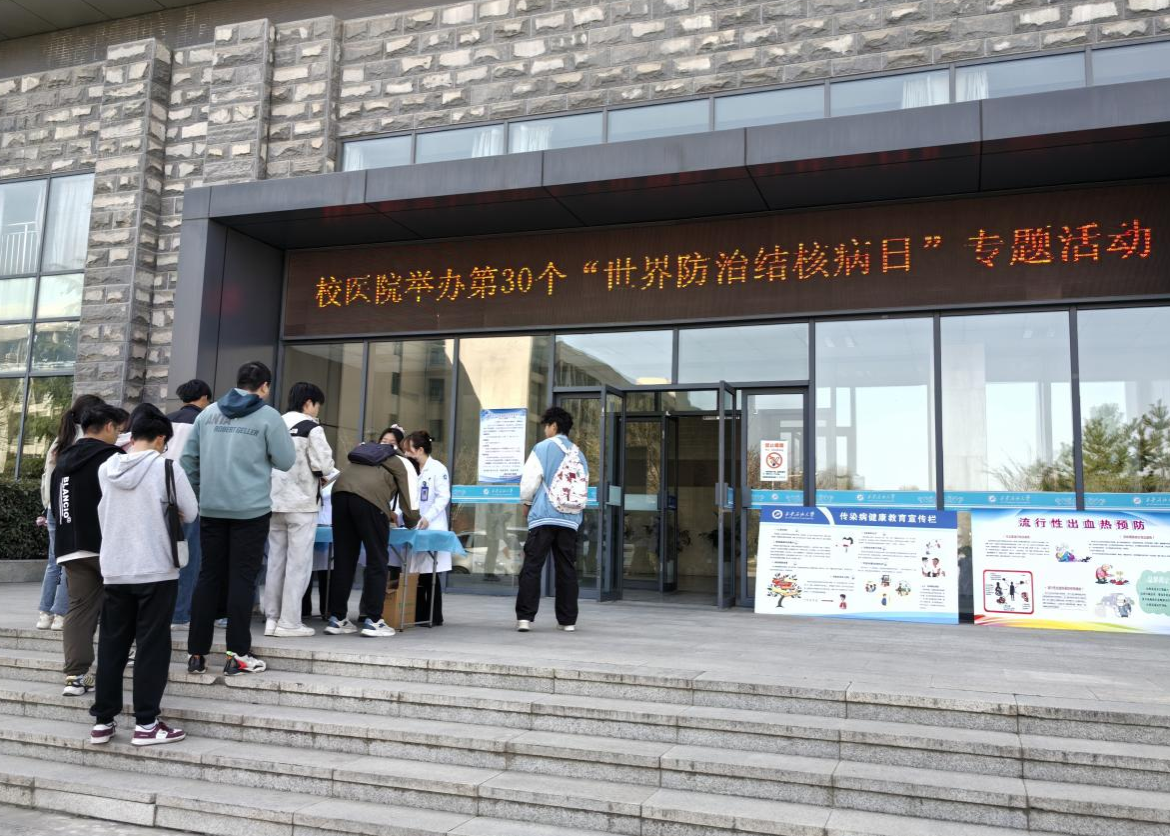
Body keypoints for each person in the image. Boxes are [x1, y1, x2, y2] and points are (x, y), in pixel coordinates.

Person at [89, 404, 196, 747]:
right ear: (161, 438)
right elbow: (191, 511)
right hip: (156, 569)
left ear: (133, 436)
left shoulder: (106, 468)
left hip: (115, 569)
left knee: (112, 646)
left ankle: (103, 721)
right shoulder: (167, 468)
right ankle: (146, 724)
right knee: (152, 646)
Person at [180, 361, 296, 677]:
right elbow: (286, 460)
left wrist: (200, 495)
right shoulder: (269, 417)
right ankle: (237, 654)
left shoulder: (208, 414)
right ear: (265, 386)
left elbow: (188, 461)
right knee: (242, 580)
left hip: (211, 509)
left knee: (208, 577)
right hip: (251, 511)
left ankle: (196, 654)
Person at [52, 402, 129, 697]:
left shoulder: (63, 458)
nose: (118, 434)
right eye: (118, 429)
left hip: (70, 546)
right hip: (106, 544)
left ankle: (75, 676)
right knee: (122, 604)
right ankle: (121, 658)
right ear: (108, 427)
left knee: (79, 609)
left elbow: (57, 505)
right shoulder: (112, 457)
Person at [264, 382, 338, 638]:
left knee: (275, 562)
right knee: (298, 564)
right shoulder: (311, 427)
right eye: (317, 405)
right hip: (302, 504)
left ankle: (272, 618)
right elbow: (324, 465)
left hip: (273, 501)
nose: (317, 410)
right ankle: (289, 622)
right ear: (308, 403)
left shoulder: (274, 422)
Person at [326, 436, 419, 638]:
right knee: (377, 559)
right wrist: (412, 523)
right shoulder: (406, 464)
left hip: (340, 495)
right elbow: (411, 504)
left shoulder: (369, 454)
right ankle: (374, 620)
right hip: (369, 500)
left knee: (344, 559)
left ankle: (337, 618)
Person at [516, 406, 588, 633]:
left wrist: (526, 503)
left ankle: (525, 618)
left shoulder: (542, 447)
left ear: (554, 426)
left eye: (546, 426)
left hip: (544, 516)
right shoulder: (579, 453)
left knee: (532, 566)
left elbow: (530, 481)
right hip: (570, 519)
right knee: (566, 568)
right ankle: (568, 621)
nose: (545, 430)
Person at [36, 394, 104, 631]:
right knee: (71, 561)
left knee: (54, 561)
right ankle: (61, 614)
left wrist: (49, 505)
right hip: (72, 508)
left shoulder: (60, 439)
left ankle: (45, 613)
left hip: (53, 507)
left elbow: (47, 478)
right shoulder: (85, 440)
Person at [166, 379, 211, 631]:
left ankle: (163, 610)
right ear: (204, 398)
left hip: (160, 493)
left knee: (164, 554)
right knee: (189, 555)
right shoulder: (203, 421)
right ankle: (180, 613)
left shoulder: (165, 420)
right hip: (190, 494)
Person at [393, 431, 450, 626]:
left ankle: (434, 615)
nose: (406, 453)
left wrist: (428, 517)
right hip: (413, 526)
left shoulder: (437, 468)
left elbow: (443, 497)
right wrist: (397, 515)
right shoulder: (411, 469)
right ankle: (417, 614)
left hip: (431, 526)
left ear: (420, 450)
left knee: (429, 573)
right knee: (415, 571)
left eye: (409, 450)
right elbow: (406, 498)